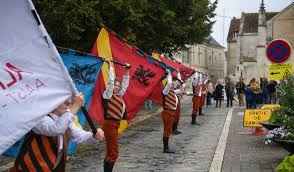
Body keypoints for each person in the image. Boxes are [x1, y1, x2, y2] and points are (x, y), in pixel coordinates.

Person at [10, 93, 105, 172]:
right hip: (29, 169)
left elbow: (81, 136)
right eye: (64, 100)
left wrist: (94, 136)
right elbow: (56, 129)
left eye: (69, 101)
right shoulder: (40, 119)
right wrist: (75, 106)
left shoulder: (66, 121)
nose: (68, 103)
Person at [101, 59, 130, 172]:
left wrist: (127, 71)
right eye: (115, 86)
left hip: (115, 124)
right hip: (109, 124)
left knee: (110, 152)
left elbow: (125, 85)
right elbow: (111, 81)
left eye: (118, 86)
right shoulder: (107, 95)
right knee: (113, 153)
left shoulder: (119, 95)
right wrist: (110, 65)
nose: (117, 87)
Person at [161, 70, 180, 153]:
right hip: (167, 112)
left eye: (173, 84)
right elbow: (168, 83)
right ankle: (166, 148)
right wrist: (169, 74)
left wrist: (179, 75)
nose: (172, 85)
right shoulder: (165, 91)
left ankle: (166, 147)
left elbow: (180, 87)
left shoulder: (173, 92)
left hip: (172, 112)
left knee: (168, 130)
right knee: (167, 130)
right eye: (171, 84)